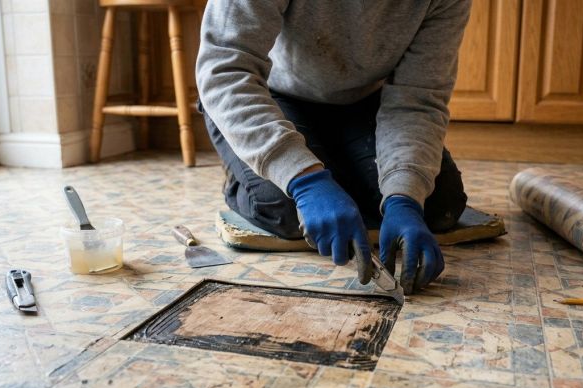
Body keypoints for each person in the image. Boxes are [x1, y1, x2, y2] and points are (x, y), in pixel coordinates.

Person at [196, 0, 471, 294]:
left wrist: (404, 198)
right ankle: (270, 167)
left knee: (438, 204)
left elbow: (416, 101)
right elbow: (225, 67)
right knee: (285, 210)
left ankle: (331, 163)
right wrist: (306, 181)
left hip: (362, 103)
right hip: (270, 97)